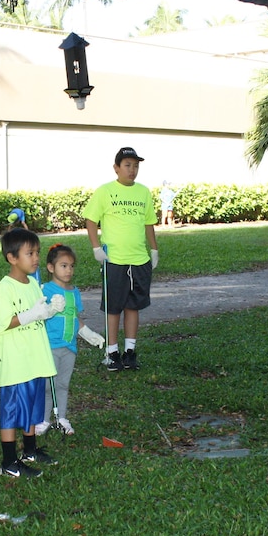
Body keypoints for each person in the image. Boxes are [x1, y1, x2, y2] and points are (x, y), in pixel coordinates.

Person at [0, 229, 64, 477]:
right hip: (15, 361)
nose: (35, 258)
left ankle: (30, 450)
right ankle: (9, 462)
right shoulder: (5, 288)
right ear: (12, 258)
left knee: (33, 405)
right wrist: (32, 314)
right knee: (12, 411)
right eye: (29, 253)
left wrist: (50, 310)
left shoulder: (33, 283)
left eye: (37, 253)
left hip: (34, 358)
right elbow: (3, 322)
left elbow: (39, 312)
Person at [83, 147, 159, 372]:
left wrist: (154, 250)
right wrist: (96, 247)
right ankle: (112, 353)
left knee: (133, 306)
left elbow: (149, 223)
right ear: (116, 168)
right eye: (127, 165)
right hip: (114, 259)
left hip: (139, 259)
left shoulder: (143, 192)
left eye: (136, 166)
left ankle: (130, 352)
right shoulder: (105, 191)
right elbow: (90, 220)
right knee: (114, 308)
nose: (132, 170)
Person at [33, 243, 104, 436]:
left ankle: (62, 417)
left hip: (69, 347)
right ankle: (43, 419)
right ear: (50, 268)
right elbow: (38, 315)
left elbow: (74, 317)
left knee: (63, 384)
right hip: (50, 346)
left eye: (71, 266)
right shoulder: (44, 290)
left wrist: (87, 333)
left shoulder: (75, 292)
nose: (69, 270)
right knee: (48, 385)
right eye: (63, 265)